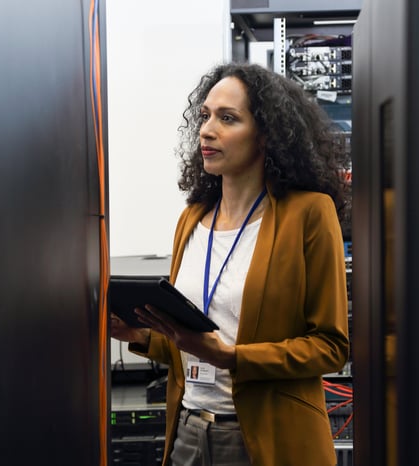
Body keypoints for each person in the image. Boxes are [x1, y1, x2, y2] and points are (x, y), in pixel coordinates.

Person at [110, 62, 350, 466]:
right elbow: (189, 345)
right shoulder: (192, 217)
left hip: (266, 440)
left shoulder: (309, 213)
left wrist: (231, 357)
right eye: (205, 116)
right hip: (188, 431)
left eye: (227, 118)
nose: (206, 130)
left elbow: (330, 347)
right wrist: (138, 333)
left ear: (266, 135)